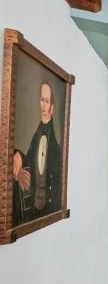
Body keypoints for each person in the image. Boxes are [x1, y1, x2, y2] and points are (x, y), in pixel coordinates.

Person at [12, 81, 62, 222]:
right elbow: (28, 160)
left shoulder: (57, 146)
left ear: (52, 107)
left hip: (49, 211)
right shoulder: (35, 136)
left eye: (46, 101)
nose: (43, 105)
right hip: (32, 211)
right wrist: (18, 154)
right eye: (41, 100)